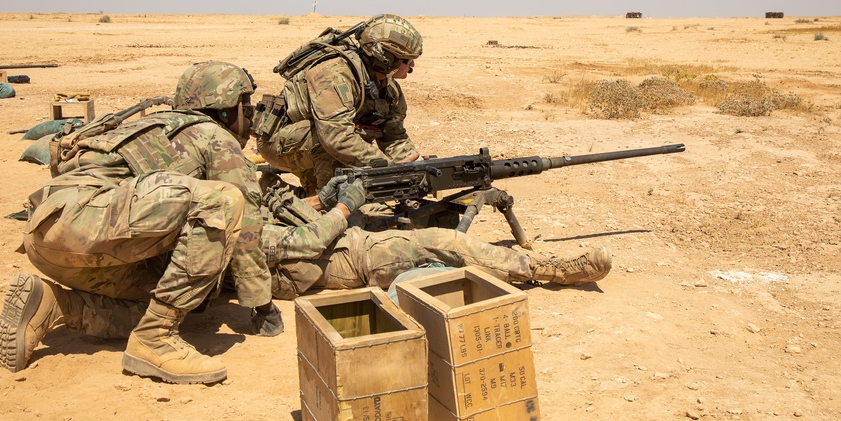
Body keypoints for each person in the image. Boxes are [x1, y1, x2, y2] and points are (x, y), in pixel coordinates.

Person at [0, 61, 284, 385]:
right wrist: (263, 307)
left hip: (48, 237)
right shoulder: (215, 137)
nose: (251, 115)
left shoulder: (149, 127)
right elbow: (248, 228)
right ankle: (156, 338)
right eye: (245, 105)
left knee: (167, 297)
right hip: (89, 221)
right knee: (225, 202)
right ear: (226, 110)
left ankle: (55, 305)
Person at [257, 173, 613, 300]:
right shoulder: (234, 230)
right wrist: (344, 206)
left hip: (344, 239)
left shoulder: (226, 212)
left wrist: (320, 200)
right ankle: (551, 269)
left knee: (419, 213)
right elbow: (309, 242)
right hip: (350, 258)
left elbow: (291, 223)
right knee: (445, 243)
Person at [254, 14, 425, 193]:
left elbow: (394, 136)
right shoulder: (334, 74)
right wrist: (385, 167)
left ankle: (309, 195)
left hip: (317, 144)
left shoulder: (389, 88)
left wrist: (415, 166)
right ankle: (320, 200)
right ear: (385, 58)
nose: (412, 65)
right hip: (280, 144)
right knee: (330, 145)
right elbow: (336, 138)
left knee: (348, 155)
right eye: (407, 60)